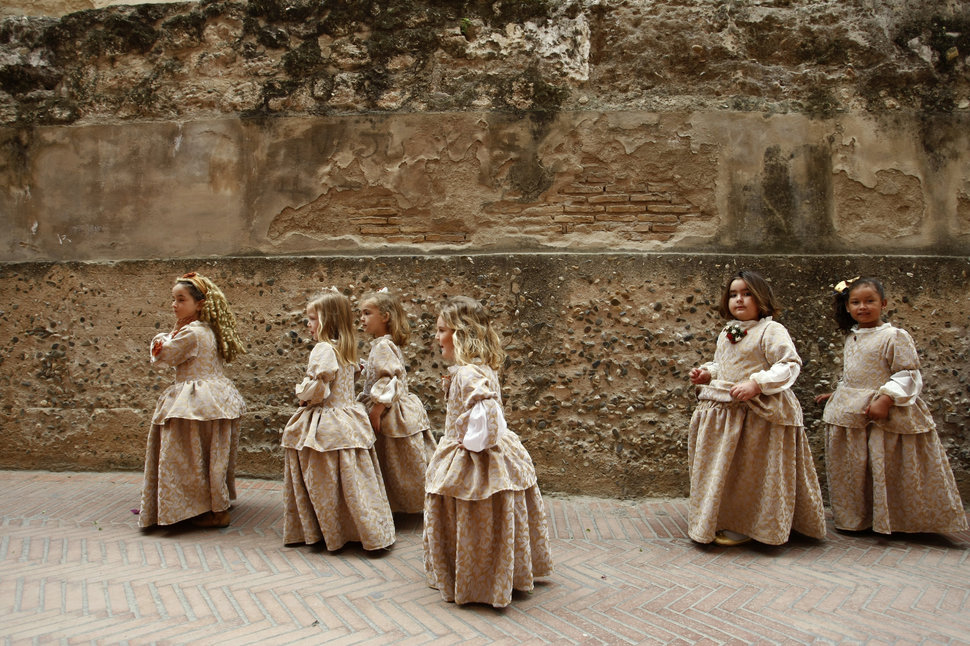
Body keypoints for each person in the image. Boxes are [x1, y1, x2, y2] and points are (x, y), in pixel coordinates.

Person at [424, 296, 553, 607]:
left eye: (442, 330)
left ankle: (478, 580)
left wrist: (469, 443)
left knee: (475, 516)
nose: (437, 337)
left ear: (459, 333)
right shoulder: (476, 368)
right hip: (485, 448)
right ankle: (499, 570)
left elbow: (486, 415)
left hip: (475, 454)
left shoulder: (468, 374)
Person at [815, 277, 967, 534]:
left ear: (883, 303)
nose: (863, 307)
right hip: (854, 412)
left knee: (884, 463)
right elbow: (856, 373)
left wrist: (885, 398)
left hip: (884, 414)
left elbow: (908, 373)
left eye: (870, 301)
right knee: (859, 468)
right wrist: (839, 393)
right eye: (856, 302)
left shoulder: (894, 336)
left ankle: (898, 519)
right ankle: (862, 518)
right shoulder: (852, 338)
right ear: (848, 307)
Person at [687, 270, 826, 546]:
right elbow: (725, 365)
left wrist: (757, 384)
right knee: (728, 470)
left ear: (761, 298)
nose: (739, 299)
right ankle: (725, 516)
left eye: (747, 293)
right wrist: (708, 373)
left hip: (759, 414)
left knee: (754, 471)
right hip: (727, 412)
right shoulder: (727, 332)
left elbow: (788, 364)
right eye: (734, 294)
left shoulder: (771, 330)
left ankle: (754, 523)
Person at [281, 289, 394, 551]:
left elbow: (319, 390)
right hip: (349, 418)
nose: (308, 325)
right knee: (352, 480)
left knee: (325, 479)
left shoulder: (323, 349)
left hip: (327, 422)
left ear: (327, 320)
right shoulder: (346, 349)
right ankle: (364, 529)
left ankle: (329, 530)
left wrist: (303, 394)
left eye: (311, 319)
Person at [139, 272, 246, 529]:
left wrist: (159, 338)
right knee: (212, 455)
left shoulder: (191, 333)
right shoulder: (208, 329)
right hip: (216, 398)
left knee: (185, 455)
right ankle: (213, 503)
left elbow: (165, 354)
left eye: (181, 299)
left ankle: (200, 508)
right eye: (173, 299)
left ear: (199, 304)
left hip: (195, 402)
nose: (174, 304)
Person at [358, 289, 437, 514]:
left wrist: (376, 411)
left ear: (385, 317)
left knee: (394, 461)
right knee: (393, 460)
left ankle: (399, 503)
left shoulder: (383, 345)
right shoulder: (385, 344)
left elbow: (389, 378)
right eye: (361, 313)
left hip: (388, 411)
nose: (362, 319)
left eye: (367, 313)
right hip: (392, 406)